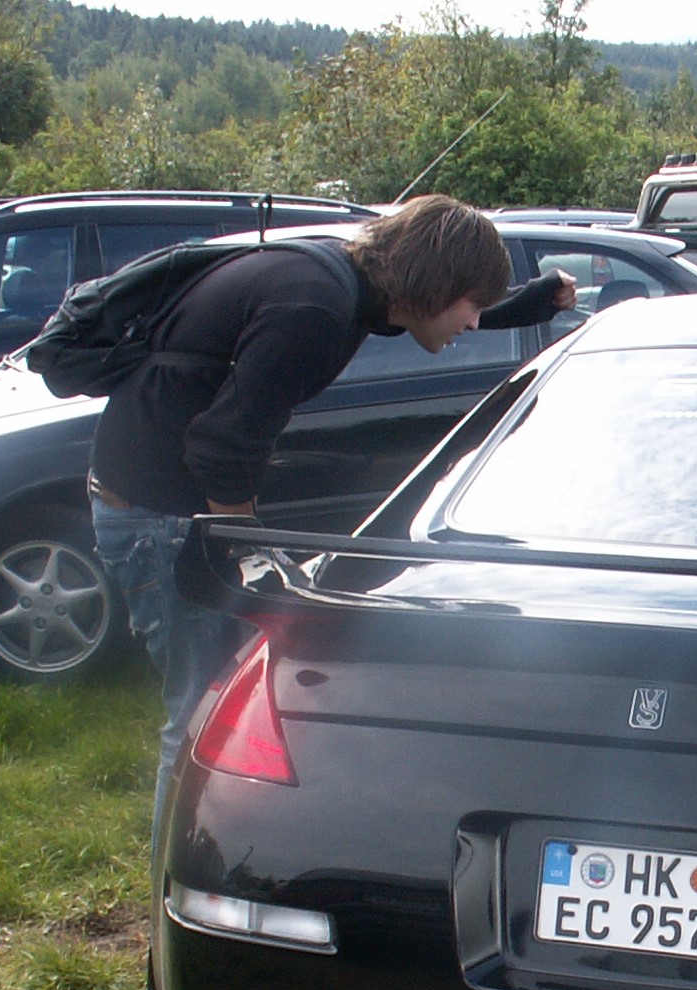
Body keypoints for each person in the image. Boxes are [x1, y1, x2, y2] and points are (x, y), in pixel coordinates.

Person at [88, 194, 575, 852]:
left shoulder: (342, 285)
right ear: (436, 281)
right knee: (201, 710)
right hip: (161, 516)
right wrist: (246, 551)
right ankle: (179, 892)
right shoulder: (315, 311)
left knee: (217, 701)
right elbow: (220, 445)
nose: (473, 320)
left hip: (160, 502)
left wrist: (532, 302)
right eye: (472, 302)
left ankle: (210, 859)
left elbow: (433, 317)